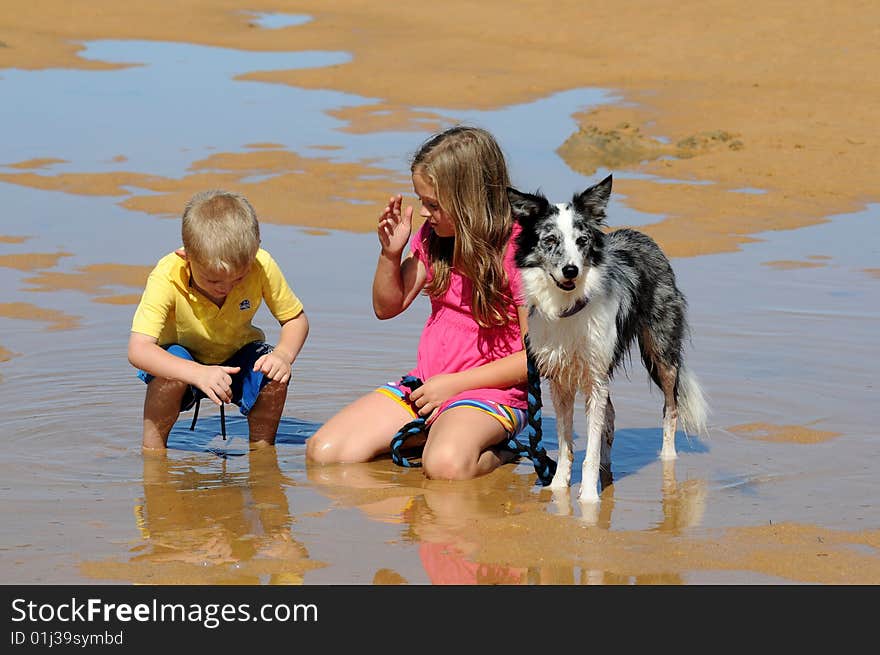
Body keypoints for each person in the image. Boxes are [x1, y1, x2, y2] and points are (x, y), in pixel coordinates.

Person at [306, 126, 529, 480]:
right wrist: (389, 254)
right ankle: (439, 435)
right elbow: (387, 307)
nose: (424, 213)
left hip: (491, 394)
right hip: (428, 385)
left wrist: (454, 386)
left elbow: (538, 358)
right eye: (422, 201)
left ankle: (499, 453)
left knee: (443, 468)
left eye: (433, 205)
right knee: (326, 454)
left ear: (469, 199)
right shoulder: (434, 238)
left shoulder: (520, 251)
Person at [128, 189, 309, 450]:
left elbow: (295, 319)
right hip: (183, 361)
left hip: (238, 356)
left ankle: (262, 454)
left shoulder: (261, 264)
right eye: (213, 280)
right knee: (168, 371)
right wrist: (199, 373)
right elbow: (139, 349)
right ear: (186, 257)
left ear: (255, 251)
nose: (226, 287)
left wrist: (283, 355)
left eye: (239, 278)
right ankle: (153, 455)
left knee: (273, 373)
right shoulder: (166, 274)